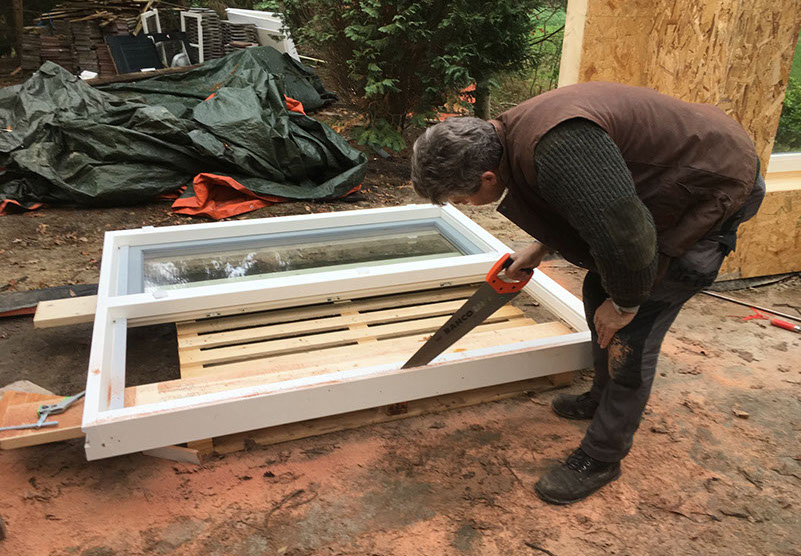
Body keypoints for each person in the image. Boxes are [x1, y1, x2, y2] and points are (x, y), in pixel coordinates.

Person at [410, 81, 765, 505]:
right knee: (600, 288)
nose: (466, 205)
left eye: (462, 197)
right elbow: (587, 204)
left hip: (714, 184)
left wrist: (626, 304)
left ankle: (602, 457)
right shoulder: (509, 138)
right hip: (666, 184)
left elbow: (627, 236)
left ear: (487, 177)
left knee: (633, 334)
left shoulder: (558, 147)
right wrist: (541, 247)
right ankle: (600, 398)